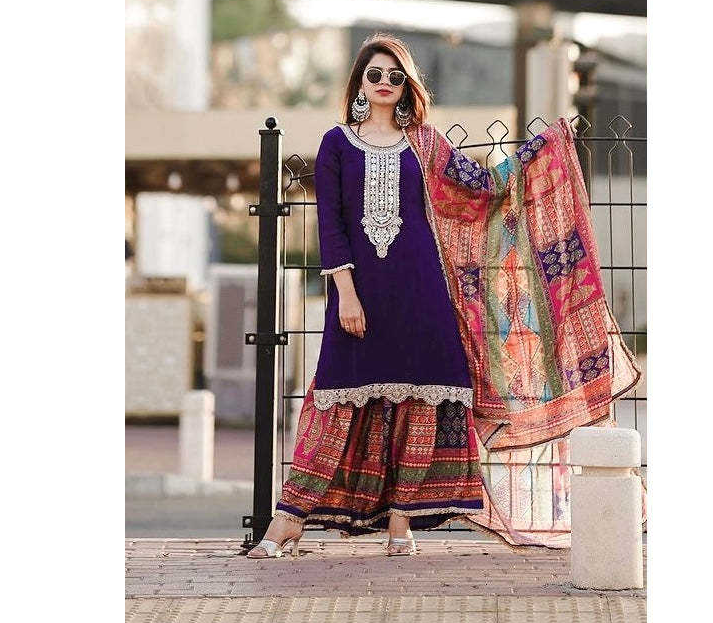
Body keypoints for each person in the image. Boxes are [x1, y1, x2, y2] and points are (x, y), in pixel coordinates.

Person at [247, 33, 642, 559]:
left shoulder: (425, 142)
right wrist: (346, 292)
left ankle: (401, 521)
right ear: (359, 83)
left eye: (395, 76)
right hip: (360, 293)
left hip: (424, 293)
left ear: (406, 86)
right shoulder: (336, 143)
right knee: (338, 393)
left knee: (421, 400)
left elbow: (482, 185)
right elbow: (332, 225)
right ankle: (289, 519)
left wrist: (541, 151)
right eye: (374, 75)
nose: (384, 83)